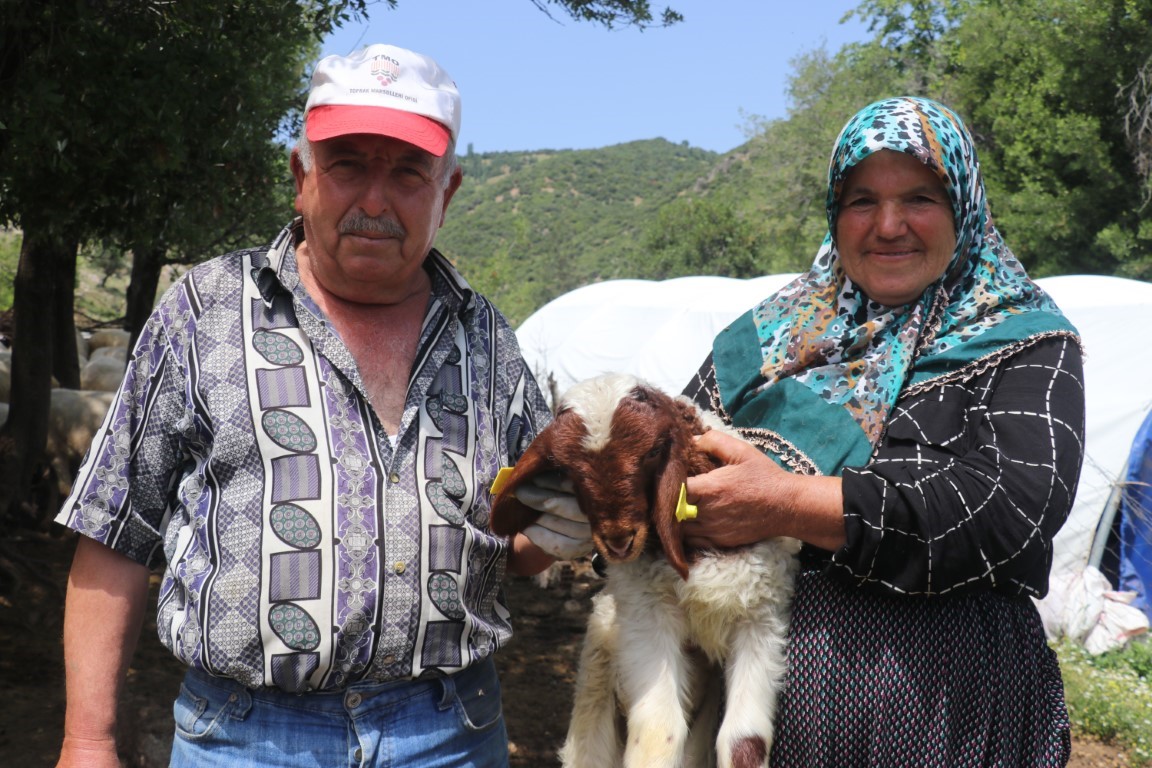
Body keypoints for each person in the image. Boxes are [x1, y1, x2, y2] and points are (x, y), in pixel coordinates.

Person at [53, 43, 557, 768]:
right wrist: (88, 740)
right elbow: (114, 528)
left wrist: (562, 525)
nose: (376, 201)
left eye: (409, 172)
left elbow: (522, 548)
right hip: (244, 737)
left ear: (445, 195)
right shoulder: (205, 312)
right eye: (349, 163)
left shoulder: (487, 340)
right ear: (302, 177)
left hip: (450, 734)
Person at [676, 96, 1085, 765]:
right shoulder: (768, 340)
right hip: (747, 716)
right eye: (861, 200)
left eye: (920, 197)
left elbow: (1010, 511)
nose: (888, 225)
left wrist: (785, 504)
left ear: (964, 207)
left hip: (952, 715)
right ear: (835, 216)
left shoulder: (1023, 339)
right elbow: (670, 451)